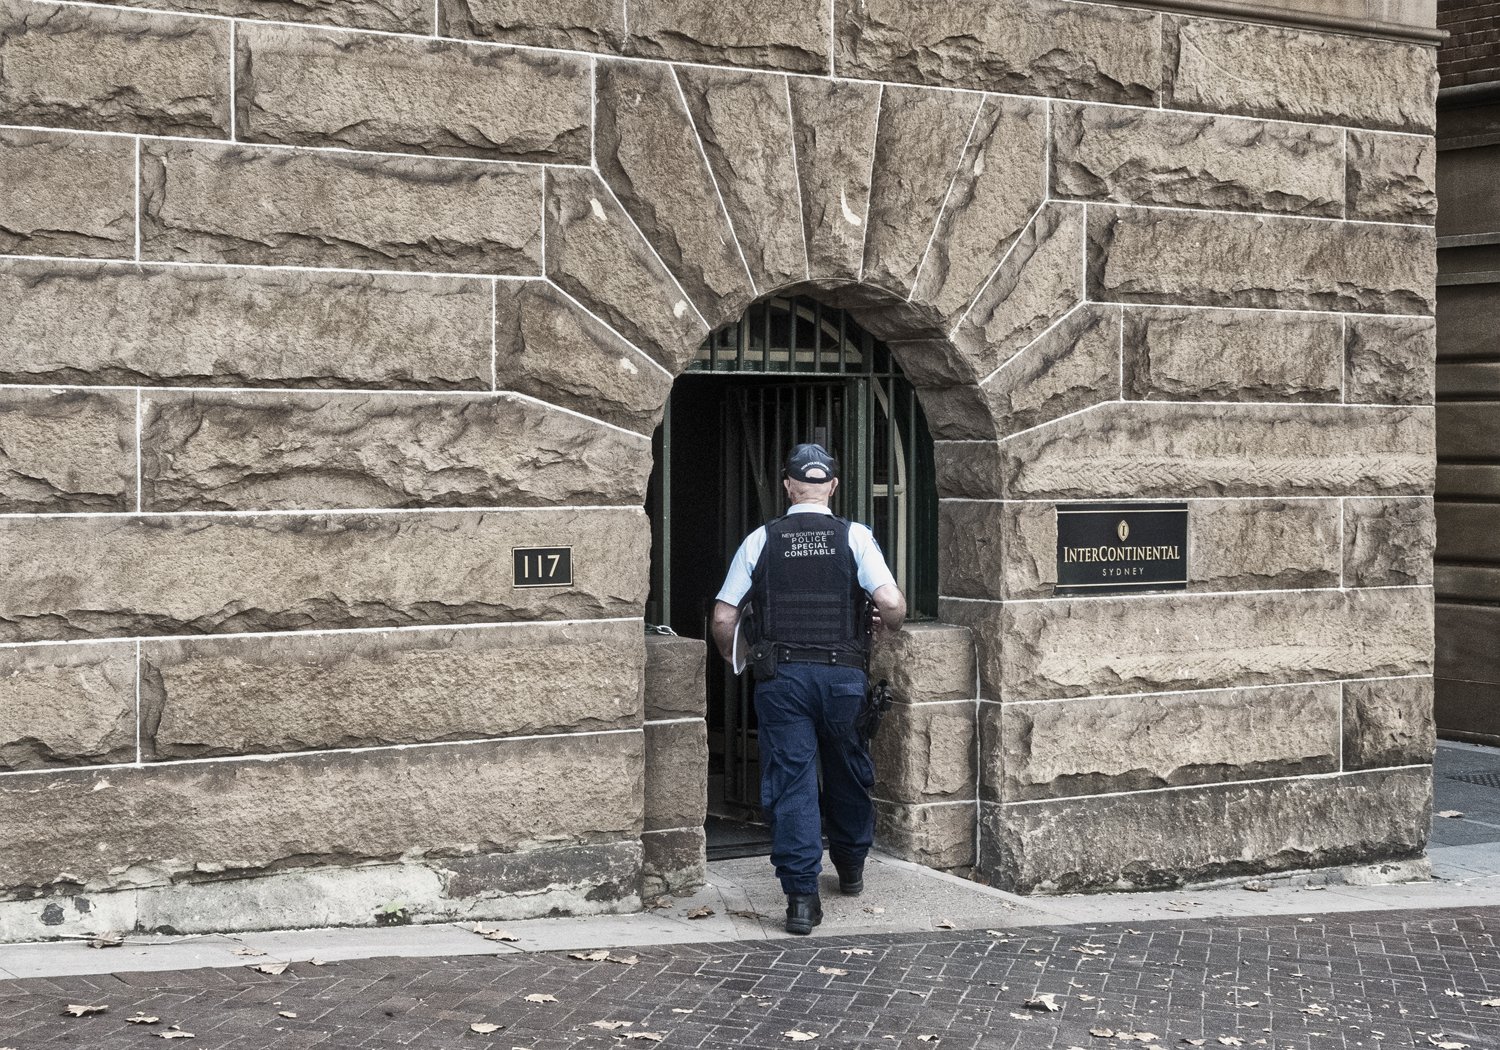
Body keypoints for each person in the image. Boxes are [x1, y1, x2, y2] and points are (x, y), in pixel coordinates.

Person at [710, 443, 907, 935]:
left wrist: (735, 659)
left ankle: (801, 899)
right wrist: (890, 624)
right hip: (844, 676)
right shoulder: (854, 536)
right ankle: (852, 867)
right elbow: (891, 601)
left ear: (787, 485)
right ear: (832, 487)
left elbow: (723, 615)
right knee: (847, 767)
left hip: (784, 680)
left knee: (792, 780)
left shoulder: (763, 539)